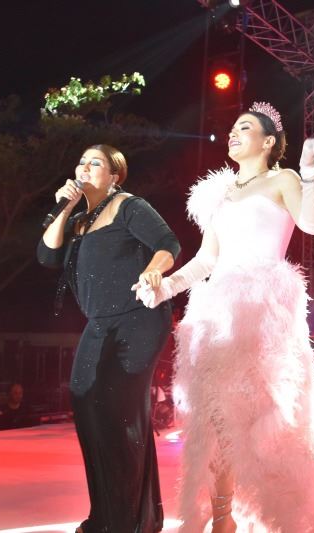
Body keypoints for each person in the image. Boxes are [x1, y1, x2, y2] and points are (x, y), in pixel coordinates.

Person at [133, 103, 314, 532]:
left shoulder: (283, 178)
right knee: (218, 417)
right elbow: (206, 260)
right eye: (233, 127)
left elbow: (313, 224)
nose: (234, 133)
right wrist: (163, 287)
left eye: (245, 127)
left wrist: (311, 175)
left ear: (268, 141)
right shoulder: (219, 194)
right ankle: (223, 518)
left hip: (264, 312)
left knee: (267, 420)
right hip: (218, 313)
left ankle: (289, 514)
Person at [37, 144, 180, 533]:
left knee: (117, 414)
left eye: (95, 162)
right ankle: (114, 515)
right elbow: (47, 256)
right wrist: (65, 207)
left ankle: (124, 522)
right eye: (81, 161)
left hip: (139, 318)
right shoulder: (79, 220)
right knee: (85, 402)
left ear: (114, 175)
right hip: (100, 322)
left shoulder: (129, 206)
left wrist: (153, 270)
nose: (85, 167)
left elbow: (169, 244)